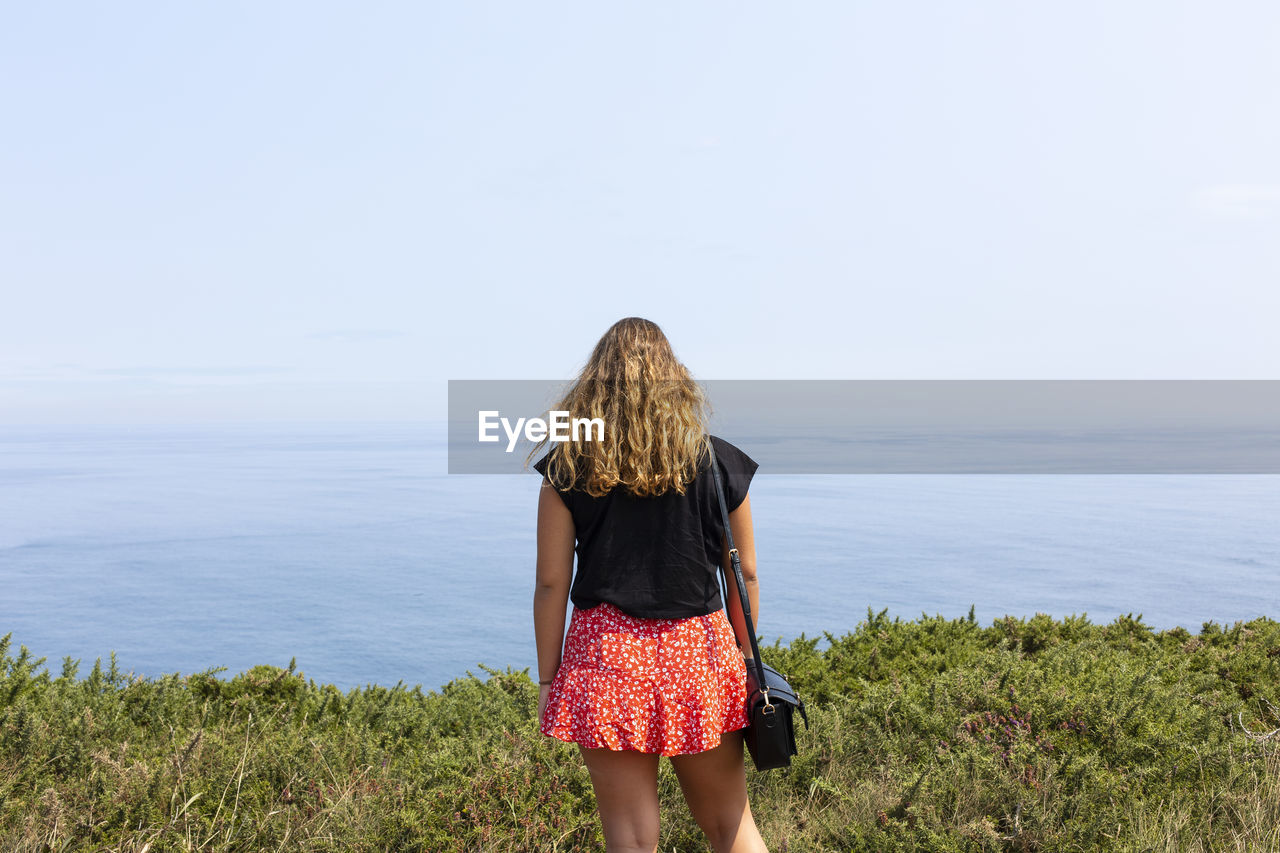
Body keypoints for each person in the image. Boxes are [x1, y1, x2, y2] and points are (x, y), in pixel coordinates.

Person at [530, 317, 769, 853]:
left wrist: (549, 680)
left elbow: (550, 584)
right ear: (674, 380)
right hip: (699, 656)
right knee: (729, 822)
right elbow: (745, 573)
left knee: (631, 837)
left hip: (607, 659)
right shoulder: (718, 461)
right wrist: (743, 660)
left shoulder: (569, 464)